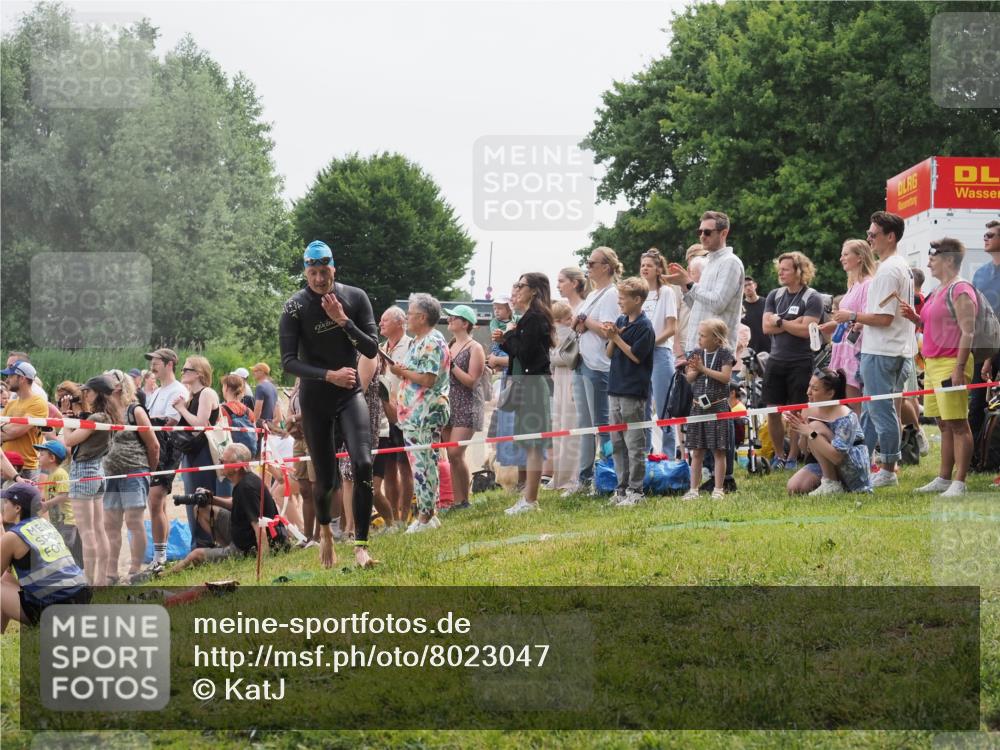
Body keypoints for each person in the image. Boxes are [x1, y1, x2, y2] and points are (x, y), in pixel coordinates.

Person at [279, 240, 380, 568]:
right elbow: (289, 362)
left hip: (349, 395)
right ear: (306, 272)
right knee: (325, 480)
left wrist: (342, 321)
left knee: (363, 463)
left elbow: (370, 349)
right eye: (313, 273)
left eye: (325, 272)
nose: (320, 279)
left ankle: (361, 545)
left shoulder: (355, 298)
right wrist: (328, 375)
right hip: (316, 398)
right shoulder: (295, 307)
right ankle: (325, 534)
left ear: (334, 269)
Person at [901, 238, 976, 497]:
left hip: (950, 363)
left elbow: (968, 332)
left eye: (933, 257)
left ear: (948, 260)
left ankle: (960, 481)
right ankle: (944, 478)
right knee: (943, 424)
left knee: (958, 424)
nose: (929, 262)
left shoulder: (961, 289)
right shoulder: (939, 290)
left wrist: (959, 368)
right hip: (933, 364)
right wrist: (915, 318)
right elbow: (934, 325)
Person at [857, 211, 916, 487]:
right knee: (871, 411)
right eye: (869, 233)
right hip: (891, 349)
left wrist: (852, 317)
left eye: (873, 234)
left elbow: (883, 318)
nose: (868, 238)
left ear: (889, 237)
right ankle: (861, 464)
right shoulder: (897, 266)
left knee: (881, 412)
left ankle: (889, 470)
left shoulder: (890, 268)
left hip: (884, 351)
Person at [166, 443, 284, 574]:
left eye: (223, 461)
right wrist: (213, 499)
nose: (220, 463)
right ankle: (225, 548)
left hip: (247, 547)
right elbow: (237, 503)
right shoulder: (245, 480)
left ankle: (164, 575)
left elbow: (259, 526)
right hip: (243, 532)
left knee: (195, 555)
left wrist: (263, 563)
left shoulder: (246, 488)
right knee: (201, 510)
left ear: (237, 467)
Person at [495, 273, 555, 514]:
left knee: (533, 444)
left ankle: (530, 500)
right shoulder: (527, 318)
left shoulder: (535, 318)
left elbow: (526, 353)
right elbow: (518, 352)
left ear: (534, 290)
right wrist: (507, 338)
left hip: (533, 384)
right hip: (525, 383)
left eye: (521, 285)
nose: (516, 289)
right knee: (528, 443)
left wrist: (509, 334)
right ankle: (527, 498)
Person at [390, 293, 451, 531]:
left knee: (423, 464)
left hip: (424, 413)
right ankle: (429, 512)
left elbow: (427, 378)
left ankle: (425, 516)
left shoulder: (432, 341)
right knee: (423, 463)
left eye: (410, 314)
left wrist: (402, 373)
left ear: (423, 317)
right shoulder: (419, 341)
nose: (407, 319)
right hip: (414, 414)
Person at [762, 252, 825, 470]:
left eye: (786, 269)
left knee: (796, 412)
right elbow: (765, 327)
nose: (781, 273)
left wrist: (781, 322)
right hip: (775, 359)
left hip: (801, 360)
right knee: (772, 410)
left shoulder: (812, 297)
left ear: (799, 271)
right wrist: (792, 323)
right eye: (779, 269)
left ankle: (793, 456)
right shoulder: (774, 295)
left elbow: (807, 331)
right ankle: (779, 454)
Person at [1, 482, 91, 633]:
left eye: (6, 502)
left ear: (17, 508)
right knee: (5, 579)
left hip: (57, 607)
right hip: (81, 596)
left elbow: (6, 547)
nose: (3, 506)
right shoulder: (44, 523)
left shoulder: (13, 536)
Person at [572, 247, 624, 494]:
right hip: (583, 361)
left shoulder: (612, 294)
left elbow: (608, 330)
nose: (588, 266)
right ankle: (584, 476)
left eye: (592, 263)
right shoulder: (594, 294)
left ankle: (606, 474)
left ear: (606, 267)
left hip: (598, 364)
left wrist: (585, 322)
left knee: (602, 425)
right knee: (584, 425)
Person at [102, 371, 158, 583]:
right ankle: (111, 572)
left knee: (134, 521)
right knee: (111, 524)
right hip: (110, 474)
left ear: (118, 386)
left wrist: (149, 472)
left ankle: (135, 569)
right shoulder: (104, 411)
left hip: (134, 471)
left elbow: (154, 445)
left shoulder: (135, 410)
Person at [605, 277, 655, 506]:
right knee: (617, 443)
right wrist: (612, 337)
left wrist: (617, 337)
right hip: (614, 388)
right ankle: (621, 488)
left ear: (637, 299)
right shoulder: (622, 319)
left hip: (633, 392)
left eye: (623, 298)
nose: (619, 302)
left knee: (634, 443)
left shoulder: (644, 327)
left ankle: (637, 490)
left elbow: (636, 355)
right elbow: (608, 353)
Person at [785, 369, 873, 496]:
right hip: (824, 462)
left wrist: (810, 432)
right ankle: (831, 481)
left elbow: (837, 457)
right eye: (809, 386)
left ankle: (832, 483)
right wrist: (802, 429)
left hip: (851, 467)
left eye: (815, 389)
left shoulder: (846, 416)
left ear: (830, 393)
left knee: (815, 427)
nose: (808, 392)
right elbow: (804, 450)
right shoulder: (809, 409)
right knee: (794, 487)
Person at [60, 375, 113, 585]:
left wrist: (65, 417)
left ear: (97, 393)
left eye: (88, 391)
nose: (85, 395)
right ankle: (100, 579)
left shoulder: (96, 419)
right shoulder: (107, 416)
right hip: (97, 472)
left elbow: (69, 442)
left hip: (83, 472)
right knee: (99, 529)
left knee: (87, 531)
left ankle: (89, 580)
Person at [143, 348, 189, 572]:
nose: (153, 365)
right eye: (152, 361)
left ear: (170, 364)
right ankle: (160, 553)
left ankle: (160, 556)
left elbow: (170, 423)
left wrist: (147, 424)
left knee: (155, 499)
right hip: (155, 447)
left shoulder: (178, 390)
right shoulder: (156, 391)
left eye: (157, 361)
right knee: (156, 503)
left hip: (168, 447)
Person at [172, 356, 224, 550]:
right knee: (192, 497)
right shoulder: (193, 395)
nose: (182, 372)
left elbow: (200, 425)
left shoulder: (207, 393)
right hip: (192, 452)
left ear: (199, 373)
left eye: (186, 369)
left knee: (202, 496)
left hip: (203, 452)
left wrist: (181, 409)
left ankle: (207, 542)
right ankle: (198, 542)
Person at [681, 319, 736, 501]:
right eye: (699, 335)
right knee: (696, 451)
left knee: (718, 450)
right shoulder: (697, 353)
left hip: (718, 407)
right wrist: (696, 370)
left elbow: (726, 377)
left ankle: (718, 488)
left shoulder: (725, 354)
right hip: (698, 407)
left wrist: (703, 368)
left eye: (703, 336)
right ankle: (693, 489)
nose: (699, 339)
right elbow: (689, 378)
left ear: (717, 339)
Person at [824, 239, 877, 415]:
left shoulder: (868, 284)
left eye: (846, 254)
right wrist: (825, 327)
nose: (841, 258)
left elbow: (868, 316)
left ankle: (863, 438)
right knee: (848, 397)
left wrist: (854, 322)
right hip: (844, 347)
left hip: (856, 348)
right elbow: (847, 318)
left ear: (860, 257)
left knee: (854, 398)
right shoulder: (853, 285)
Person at [442, 304, 486, 511]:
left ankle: (464, 500)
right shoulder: (450, 344)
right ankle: (457, 501)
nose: (449, 319)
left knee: (455, 453)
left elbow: (471, 381)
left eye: (454, 317)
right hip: (449, 405)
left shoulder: (475, 347)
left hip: (467, 405)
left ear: (465, 323)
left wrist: (451, 365)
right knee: (451, 456)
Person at [639, 249, 678, 458]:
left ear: (658, 269)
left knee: (664, 407)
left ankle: (670, 454)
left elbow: (672, 327)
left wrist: (650, 342)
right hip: (640, 357)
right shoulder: (639, 294)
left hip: (660, 353)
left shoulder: (666, 293)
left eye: (649, 265)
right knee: (642, 406)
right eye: (642, 265)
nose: (645, 268)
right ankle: (646, 453)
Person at [378, 306, 414, 524]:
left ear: (400, 323)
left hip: (405, 412)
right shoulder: (381, 348)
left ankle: (405, 514)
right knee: (389, 467)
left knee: (405, 466)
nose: (380, 324)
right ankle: (392, 518)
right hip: (384, 415)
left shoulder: (411, 346)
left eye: (385, 320)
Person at [971, 220, 1000, 447]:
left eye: (990, 235)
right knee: (976, 402)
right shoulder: (980, 274)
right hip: (983, 346)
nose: (985, 238)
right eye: (985, 234)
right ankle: (975, 458)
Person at [548, 301, 581, 491]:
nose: (572, 320)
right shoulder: (567, 334)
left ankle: (566, 476)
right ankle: (562, 475)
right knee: (564, 428)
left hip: (565, 381)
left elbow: (557, 359)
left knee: (564, 428)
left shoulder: (560, 336)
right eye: (569, 317)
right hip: (563, 381)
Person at [33, 440, 80, 567]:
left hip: (67, 521)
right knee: (62, 549)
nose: (39, 456)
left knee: (66, 550)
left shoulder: (60, 474)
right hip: (57, 521)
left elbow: (64, 495)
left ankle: (73, 573)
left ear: (52, 458)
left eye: (42, 454)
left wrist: (46, 505)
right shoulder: (51, 475)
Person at [0, 361, 49, 482]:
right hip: (5, 465)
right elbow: (10, 431)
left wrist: (4, 428)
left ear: (21, 378)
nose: (7, 380)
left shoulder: (38, 402)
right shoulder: (11, 403)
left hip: (25, 467)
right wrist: (7, 430)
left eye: (11, 376)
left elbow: (14, 431)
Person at [285, 378, 318, 545]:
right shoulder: (298, 378)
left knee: (317, 486)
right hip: (298, 437)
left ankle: (320, 534)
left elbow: (316, 406)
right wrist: (290, 421)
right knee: (304, 488)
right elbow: (292, 406)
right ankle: (307, 535)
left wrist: (293, 419)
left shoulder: (316, 371)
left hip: (314, 435)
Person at [742, 276, 770, 355]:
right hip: (749, 351)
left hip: (769, 348)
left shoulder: (767, 303)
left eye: (750, 284)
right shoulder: (740, 308)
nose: (748, 288)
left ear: (755, 285)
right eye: (744, 286)